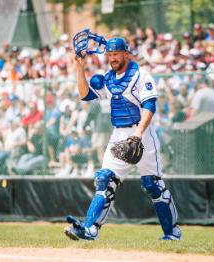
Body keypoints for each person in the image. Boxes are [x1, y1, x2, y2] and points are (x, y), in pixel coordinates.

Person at [64, 37, 181, 241]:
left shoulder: (140, 75)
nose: (112, 58)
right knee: (104, 179)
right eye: (109, 55)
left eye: (116, 54)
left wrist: (138, 133)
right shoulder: (108, 79)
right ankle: (90, 229)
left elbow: (149, 106)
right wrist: (80, 68)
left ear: (126, 53)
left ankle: (172, 233)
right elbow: (85, 95)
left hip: (142, 133)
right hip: (118, 133)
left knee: (152, 184)